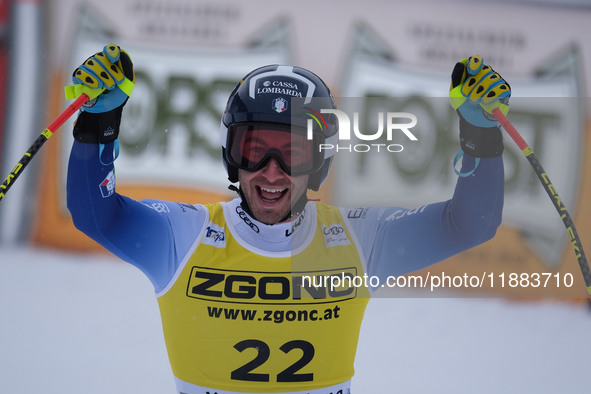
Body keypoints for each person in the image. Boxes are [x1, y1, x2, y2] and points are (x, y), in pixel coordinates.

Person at [67, 44, 509, 394]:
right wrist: (98, 121)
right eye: (255, 150)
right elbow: (94, 215)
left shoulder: (359, 239)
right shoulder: (184, 236)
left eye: (294, 153)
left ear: (320, 161)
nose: (272, 171)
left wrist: (481, 133)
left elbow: (471, 223)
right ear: (232, 156)